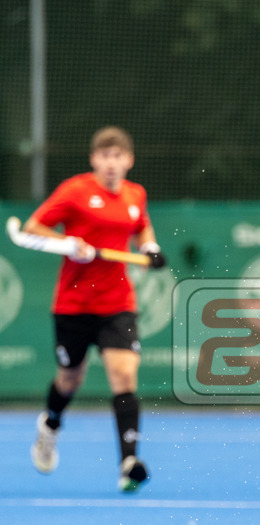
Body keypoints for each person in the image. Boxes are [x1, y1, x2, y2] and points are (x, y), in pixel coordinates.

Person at [24, 126, 167, 492]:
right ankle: (50, 425)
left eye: (118, 156)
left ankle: (128, 462)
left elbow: (141, 226)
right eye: (104, 156)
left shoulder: (136, 194)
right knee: (70, 379)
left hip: (117, 302)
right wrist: (69, 242)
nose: (111, 163)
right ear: (94, 160)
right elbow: (33, 227)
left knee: (124, 375)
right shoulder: (75, 191)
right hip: (73, 304)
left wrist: (149, 248)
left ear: (129, 161)